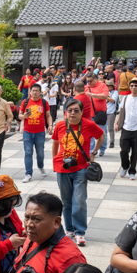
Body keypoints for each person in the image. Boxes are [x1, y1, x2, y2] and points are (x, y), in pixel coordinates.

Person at [51, 99, 105, 247]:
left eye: (76, 110)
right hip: (62, 168)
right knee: (66, 201)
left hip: (81, 168)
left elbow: (101, 135)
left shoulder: (89, 125)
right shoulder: (60, 125)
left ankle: (80, 232)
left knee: (79, 201)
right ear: (65, 112)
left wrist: (94, 152)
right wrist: (54, 159)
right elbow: (55, 142)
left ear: (82, 112)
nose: (73, 113)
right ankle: (69, 229)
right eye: (70, 110)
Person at [115, 78, 137, 181]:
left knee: (135, 152)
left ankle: (132, 171)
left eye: (136, 86)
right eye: (132, 86)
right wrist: (116, 123)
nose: (133, 87)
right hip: (126, 128)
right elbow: (121, 112)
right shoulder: (125, 98)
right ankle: (125, 166)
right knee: (124, 150)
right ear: (129, 87)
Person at [19, 83, 53, 183]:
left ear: (40, 92)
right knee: (28, 153)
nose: (34, 92)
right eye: (32, 90)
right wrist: (24, 116)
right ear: (30, 91)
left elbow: (48, 116)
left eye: (36, 90)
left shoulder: (43, 102)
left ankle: (41, 166)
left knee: (40, 153)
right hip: (27, 132)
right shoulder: (25, 102)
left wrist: (50, 125)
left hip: (40, 132)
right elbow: (20, 116)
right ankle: (28, 174)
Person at [85, 72, 110, 157]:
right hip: (89, 115)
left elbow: (105, 96)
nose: (89, 83)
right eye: (87, 81)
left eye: (90, 81)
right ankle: (92, 151)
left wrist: (92, 95)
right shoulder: (86, 87)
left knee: (102, 133)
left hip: (99, 114)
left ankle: (102, 148)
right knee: (90, 134)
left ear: (96, 79)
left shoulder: (102, 85)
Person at [106, 80, 119, 149]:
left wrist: (105, 97)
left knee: (110, 127)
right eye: (107, 86)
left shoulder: (115, 92)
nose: (108, 87)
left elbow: (113, 100)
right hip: (104, 110)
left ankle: (112, 141)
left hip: (111, 111)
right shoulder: (105, 92)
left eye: (109, 86)